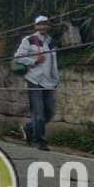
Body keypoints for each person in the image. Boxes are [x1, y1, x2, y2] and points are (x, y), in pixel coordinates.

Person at [13, 15, 60, 151]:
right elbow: (18, 57)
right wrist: (34, 61)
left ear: (48, 26)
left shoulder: (51, 42)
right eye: (40, 24)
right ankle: (38, 141)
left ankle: (28, 128)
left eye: (45, 24)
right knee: (38, 113)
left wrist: (56, 79)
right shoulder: (29, 40)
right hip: (34, 80)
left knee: (49, 112)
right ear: (35, 26)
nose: (42, 26)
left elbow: (54, 63)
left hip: (48, 82)